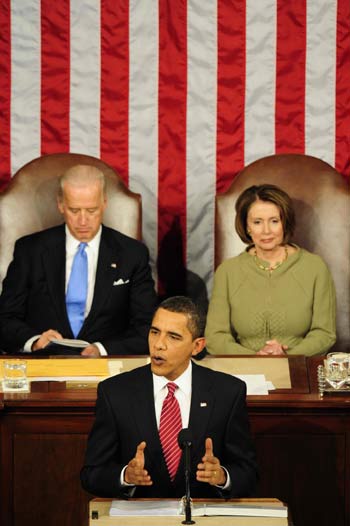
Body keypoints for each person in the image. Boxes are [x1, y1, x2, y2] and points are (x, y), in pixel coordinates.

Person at [80, 296, 258, 498]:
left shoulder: (227, 392)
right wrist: (125, 476)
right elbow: (91, 474)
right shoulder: (115, 393)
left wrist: (222, 477)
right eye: (154, 332)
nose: (159, 345)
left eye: (173, 337)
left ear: (197, 346)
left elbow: (249, 473)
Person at [0, 164, 157, 356]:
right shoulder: (30, 251)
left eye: (91, 211)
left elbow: (147, 326)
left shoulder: (132, 254)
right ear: (60, 205)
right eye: (74, 210)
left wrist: (102, 349)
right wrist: (34, 341)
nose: (83, 221)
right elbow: (5, 318)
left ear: (104, 204)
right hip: (44, 364)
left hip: (108, 367)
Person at [205, 184, 336, 356]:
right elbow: (215, 337)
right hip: (243, 368)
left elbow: (325, 333)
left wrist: (288, 356)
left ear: (285, 223)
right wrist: (254, 358)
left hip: (299, 366)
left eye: (274, 221)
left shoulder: (315, 267)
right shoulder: (228, 271)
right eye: (257, 222)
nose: (266, 231)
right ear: (247, 226)